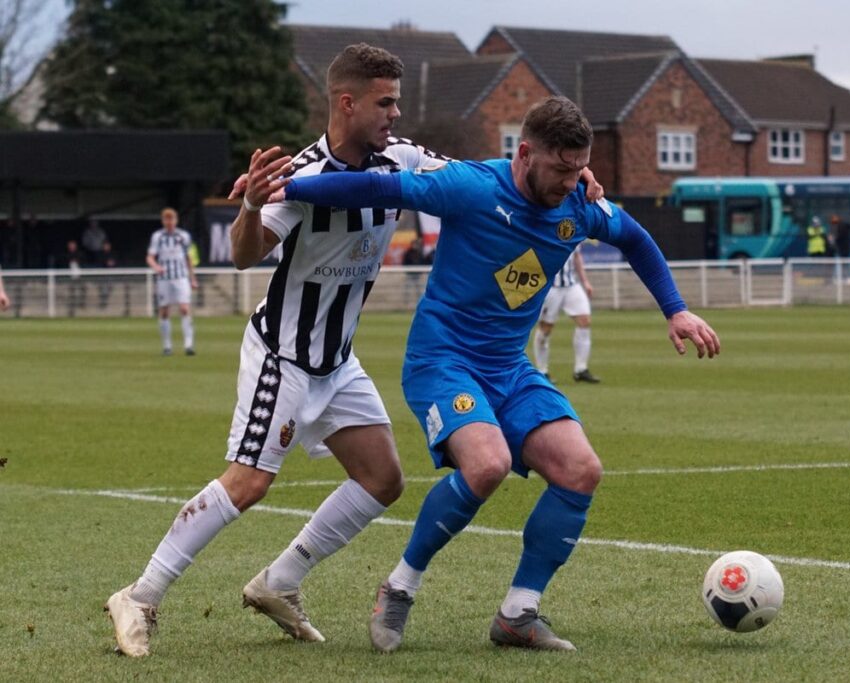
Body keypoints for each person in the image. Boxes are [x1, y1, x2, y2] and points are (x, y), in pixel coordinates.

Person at [102, 44, 605, 658]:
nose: (396, 114)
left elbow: (484, 178)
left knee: (382, 479)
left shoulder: (403, 159)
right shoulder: (303, 175)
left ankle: (278, 583)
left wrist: (568, 172)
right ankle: (140, 595)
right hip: (283, 355)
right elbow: (242, 253)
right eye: (385, 101)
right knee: (249, 482)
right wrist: (254, 204)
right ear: (348, 102)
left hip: (337, 361)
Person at [269, 95, 720, 653]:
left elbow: (635, 238)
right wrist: (288, 188)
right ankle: (400, 586)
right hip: (443, 361)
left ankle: (518, 614)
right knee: (487, 465)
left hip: (508, 367)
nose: (571, 181)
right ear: (525, 153)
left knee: (581, 470)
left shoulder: (579, 202)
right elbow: (378, 188)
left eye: (580, 168)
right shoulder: (471, 187)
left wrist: (674, 308)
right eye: (561, 168)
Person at [533, 243, 599, 383]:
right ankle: (542, 371)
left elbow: (577, 256)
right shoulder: (545, 231)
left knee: (584, 321)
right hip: (551, 287)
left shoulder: (573, 228)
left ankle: (581, 369)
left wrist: (585, 281)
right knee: (545, 329)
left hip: (571, 285)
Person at [146, 208, 198, 355]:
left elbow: (189, 259)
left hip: (181, 277)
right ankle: (167, 346)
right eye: (166, 219)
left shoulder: (183, 236)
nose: (169, 222)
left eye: (172, 219)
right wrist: (156, 266)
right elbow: (150, 257)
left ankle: (188, 345)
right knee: (164, 311)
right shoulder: (158, 237)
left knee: (184, 309)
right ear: (163, 221)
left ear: (176, 220)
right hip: (164, 279)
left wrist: (192, 279)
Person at [401, 236, 430, 306]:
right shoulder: (408, 253)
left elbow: (422, 262)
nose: (415, 245)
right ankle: (406, 302)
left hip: (417, 274)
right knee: (408, 288)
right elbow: (405, 262)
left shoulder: (419, 253)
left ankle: (419, 301)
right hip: (410, 274)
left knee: (418, 289)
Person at [62, 239, 86, 314]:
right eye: (70, 245)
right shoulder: (65, 255)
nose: (72, 247)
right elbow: (63, 265)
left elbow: (83, 263)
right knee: (72, 291)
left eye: (73, 245)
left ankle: (82, 304)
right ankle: (71, 309)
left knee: (83, 288)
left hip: (79, 276)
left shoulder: (80, 254)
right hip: (69, 277)